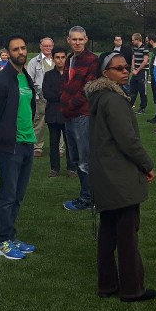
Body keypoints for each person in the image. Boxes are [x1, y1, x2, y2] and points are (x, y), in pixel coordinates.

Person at [88, 52, 156, 303]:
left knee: (108, 232)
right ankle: (131, 289)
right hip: (118, 176)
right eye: (118, 68)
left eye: (126, 67)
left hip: (104, 175)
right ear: (105, 73)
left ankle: (107, 285)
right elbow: (128, 141)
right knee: (127, 235)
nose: (125, 71)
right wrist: (147, 164)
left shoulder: (100, 97)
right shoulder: (113, 100)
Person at [0, 35, 38, 260]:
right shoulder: (1, 81)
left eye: (23, 48)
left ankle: (12, 236)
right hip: (10, 146)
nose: (20, 52)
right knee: (7, 194)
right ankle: (3, 241)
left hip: (27, 142)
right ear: (8, 52)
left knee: (18, 195)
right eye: (15, 49)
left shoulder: (24, 77)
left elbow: (30, 108)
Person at [62, 26, 99, 211]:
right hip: (70, 115)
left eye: (80, 39)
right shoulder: (70, 59)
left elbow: (88, 88)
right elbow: (65, 85)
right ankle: (87, 195)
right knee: (76, 158)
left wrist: (68, 105)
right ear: (68, 40)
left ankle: (89, 199)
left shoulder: (92, 60)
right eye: (74, 39)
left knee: (85, 159)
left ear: (86, 40)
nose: (77, 42)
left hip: (82, 115)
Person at [25, 37, 55, 157]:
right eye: (45, 46)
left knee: (58, 123)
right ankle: (37, 147)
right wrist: (38, 93)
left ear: (53, 46)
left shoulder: (58, 60)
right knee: (39, 123)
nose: (48, 48)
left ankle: (60, 148)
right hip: (40, 98)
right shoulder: (34, 62)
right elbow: (30, 80)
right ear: (40, 46)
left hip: (57, 98)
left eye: (49, 46)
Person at [44, 46, 69, 177]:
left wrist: (61, 95)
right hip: (53, 114)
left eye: (63, 57)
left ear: (66, 58)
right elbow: (46, 93)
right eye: (57, 57)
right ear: (53, 59)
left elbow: (73, 92)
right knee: (53, 143)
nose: (60, 60)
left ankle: (72, 168)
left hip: (67, 114)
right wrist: (62, 96)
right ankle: (54, 168)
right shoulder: (48, 75)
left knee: (70, 142)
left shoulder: (70, 74)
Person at [129, 33, 150, 113]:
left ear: (138, 40)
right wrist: (133, 68)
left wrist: (137, 70)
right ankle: (130, 105)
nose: (132, 41)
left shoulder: (145, 48)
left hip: (142, 71)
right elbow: (133, 58)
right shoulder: (134, 48)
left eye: (133, 40)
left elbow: (145, 61)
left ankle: (142, 107)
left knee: (142, 89)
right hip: (135, 71)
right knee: (132, 89)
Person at [145, 34, 156, 124]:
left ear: (151, 40)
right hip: (154, 77)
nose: (146, 42)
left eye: (147, 40)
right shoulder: (155, 50)